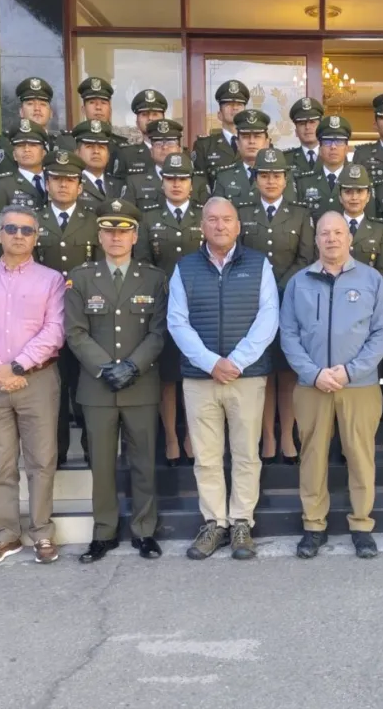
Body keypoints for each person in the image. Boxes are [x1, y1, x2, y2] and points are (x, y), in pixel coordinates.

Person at [167, 197, 279, 561]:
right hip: (200, 379)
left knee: (246, 452)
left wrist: (237, 362)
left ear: (238, 225)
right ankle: (214, 522)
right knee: (207, 455)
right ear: (202, 226)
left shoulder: (259, 265)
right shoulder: (184, 268)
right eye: (212, 220)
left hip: (245, 377)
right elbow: (177, 322)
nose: (219, 226)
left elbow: (268, 317)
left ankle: (242, 521)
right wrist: (212, 362)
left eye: (227, 219)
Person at [280, 211, 383, 559]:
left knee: (361, 457)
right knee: (312, 456)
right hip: (312, 385)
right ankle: (314, 526)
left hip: (358, 385)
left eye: (338, 232)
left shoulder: (372, 280)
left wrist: (350, 371)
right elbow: (288, 334)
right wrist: (314, 373)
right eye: (324, 233)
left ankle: (361, 525)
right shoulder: (299, 282)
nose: (331, 238)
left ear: (350, 238)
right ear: (315, 240)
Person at [0, 205, 66, 567]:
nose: (19, 235)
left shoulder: (51, 279)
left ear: (36, 237)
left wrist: (18, 365)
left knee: (41, 460)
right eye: (12, 229)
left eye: (27, 230)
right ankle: (5, 535)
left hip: (36, 379)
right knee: (0, 463)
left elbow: (55, 329)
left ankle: (42, 532)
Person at [66, 199, 168, 563]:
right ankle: (104, 532)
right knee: (103, 463)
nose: (116, 237)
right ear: (99, 236)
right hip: (97, 387)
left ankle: (144, 530)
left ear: (135, 235)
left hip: (140, 385)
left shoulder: (154, 278)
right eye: (109, 231)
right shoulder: (81, 277)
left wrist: (133, 367)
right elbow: (75, 332)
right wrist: (106, 367)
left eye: (123, 231)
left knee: (143, 461)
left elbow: (158, 332)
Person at [237, 148, 315, 465]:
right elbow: (238, 255)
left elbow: (306, 258)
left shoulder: (300, 214)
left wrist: (279, 287)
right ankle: (268, 435)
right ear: (255, 179)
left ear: (286, 179)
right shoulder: (242, 212)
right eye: (264, 175)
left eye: (277, 175)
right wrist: (262, 290)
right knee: (263, 374)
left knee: (288, 373)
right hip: (253, 306)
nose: (271, 181)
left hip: (290, 302)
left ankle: (287, 435)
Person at [137, 151, 204, 466]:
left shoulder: (205, 215)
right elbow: (143, 265)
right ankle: (172, 438)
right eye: (171, 178)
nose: (176, 184)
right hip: (163, 307)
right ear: (162, 182)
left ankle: (192, 435)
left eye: (182, 178)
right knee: (166, 377)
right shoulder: (148, 216)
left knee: (195, 375)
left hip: (200, 308)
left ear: (192, 183)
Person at [33, 150, 100, 466]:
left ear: (80, 186)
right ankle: (56, 452)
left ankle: (91, 447)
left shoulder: (94, 221)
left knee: (85, 387)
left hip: (85, 317)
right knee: (52, 390)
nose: (62, 185)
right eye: (56, 179)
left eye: (69, 180)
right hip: (42, 319)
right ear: (46, 183)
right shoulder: (33, 221)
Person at [212, 109, 295, 207]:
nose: (251, 141)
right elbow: (217, 210)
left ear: (267, 143)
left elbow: (289, 211)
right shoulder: (224, 176)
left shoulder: (282, 174)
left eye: (257, 136)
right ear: (237, 143)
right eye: (246, 136)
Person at [122, 119, 210, 209]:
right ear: (151, 151)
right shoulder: (134, 182)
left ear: (180, 149)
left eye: (170, 143)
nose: (164, 147)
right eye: (158, 143)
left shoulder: (198, 182)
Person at [295, 115, 370, 220]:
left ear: (347, 148)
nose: (333, 147)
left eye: (339, 142)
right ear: (320, 149)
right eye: (327, 142)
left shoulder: (361, 180)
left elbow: (368, 221)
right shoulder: (304, 183)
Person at [0, 77, 76, 171]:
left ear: (51, 113)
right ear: (21, 112)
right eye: (30, 104)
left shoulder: (65, 142)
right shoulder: (8, 142)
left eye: (42, 104)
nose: (37, 108)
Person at [0, 119, 51, 232]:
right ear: (14, 154)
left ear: (44, 153)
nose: (27, 150)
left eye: (33, 145)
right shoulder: (1, 185)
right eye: (21, 145)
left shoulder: (55, 180)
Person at [340, 164, 383, 284]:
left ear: (368, 196)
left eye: (359, 191)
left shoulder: (380, 230)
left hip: (368, 293)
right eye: (348, 192)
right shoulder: (330, 227)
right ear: (340, 196)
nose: (354, 197)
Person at [193, 79, 250, 186]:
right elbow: (200, 186)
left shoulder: (258, 144)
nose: (235, 108)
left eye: (239, 104)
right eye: (229, 104)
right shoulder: (204, 146)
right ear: (219, 114)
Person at [76, 76, 127, 178]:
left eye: (103, 103)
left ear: (110, 110)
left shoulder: (123, 145)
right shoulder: (71, 142)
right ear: (83, 109)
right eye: (92, 103)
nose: (98, 107)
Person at [113, 88, 170, 178]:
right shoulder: (126, 155)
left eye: (155, 114)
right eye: (144, 114)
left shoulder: (176, 152)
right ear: (137, 122)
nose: (150, 118)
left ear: (164, 120)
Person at [74, 119, 118, 214]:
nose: (96, 151)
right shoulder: (72, 184)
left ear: (108, 155)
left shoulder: (119, 185)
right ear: (77, 153)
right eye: (89, 146)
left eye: (101, 147)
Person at [283, 97, 324, 175]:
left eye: (312, 122)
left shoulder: (332, 155)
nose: (307, 127)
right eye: (302, 123)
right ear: (296, 131)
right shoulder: (284, 159)